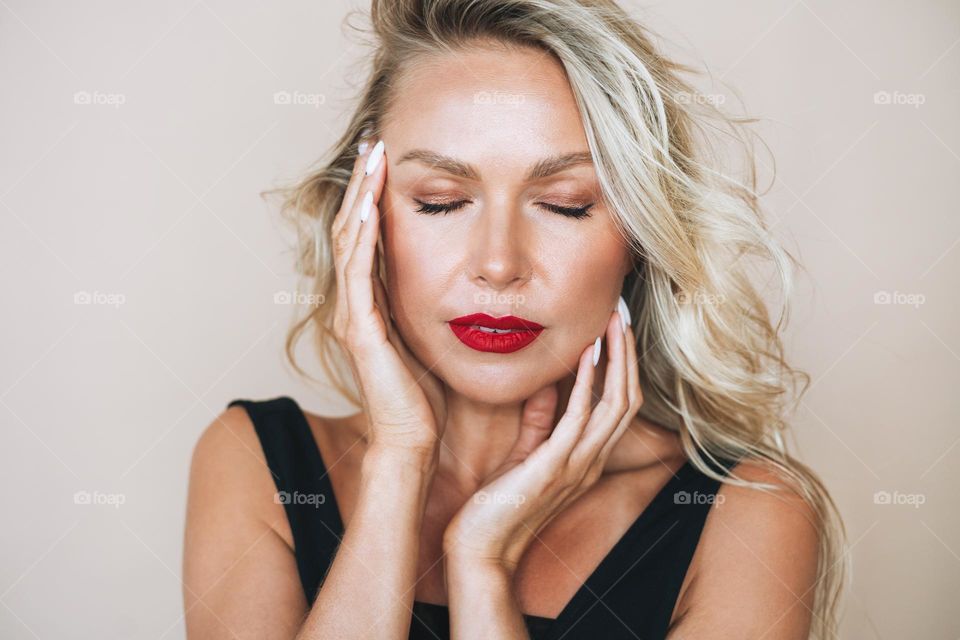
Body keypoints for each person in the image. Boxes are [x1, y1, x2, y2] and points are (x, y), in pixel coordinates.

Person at [183, 1, 846, 638]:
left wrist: (483, 566)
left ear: (639, 238)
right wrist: (399, 461)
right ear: (364, 218)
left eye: (565, 204)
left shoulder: (747, 513)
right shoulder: (255, 463)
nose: (498, 265)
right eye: (440, 201)